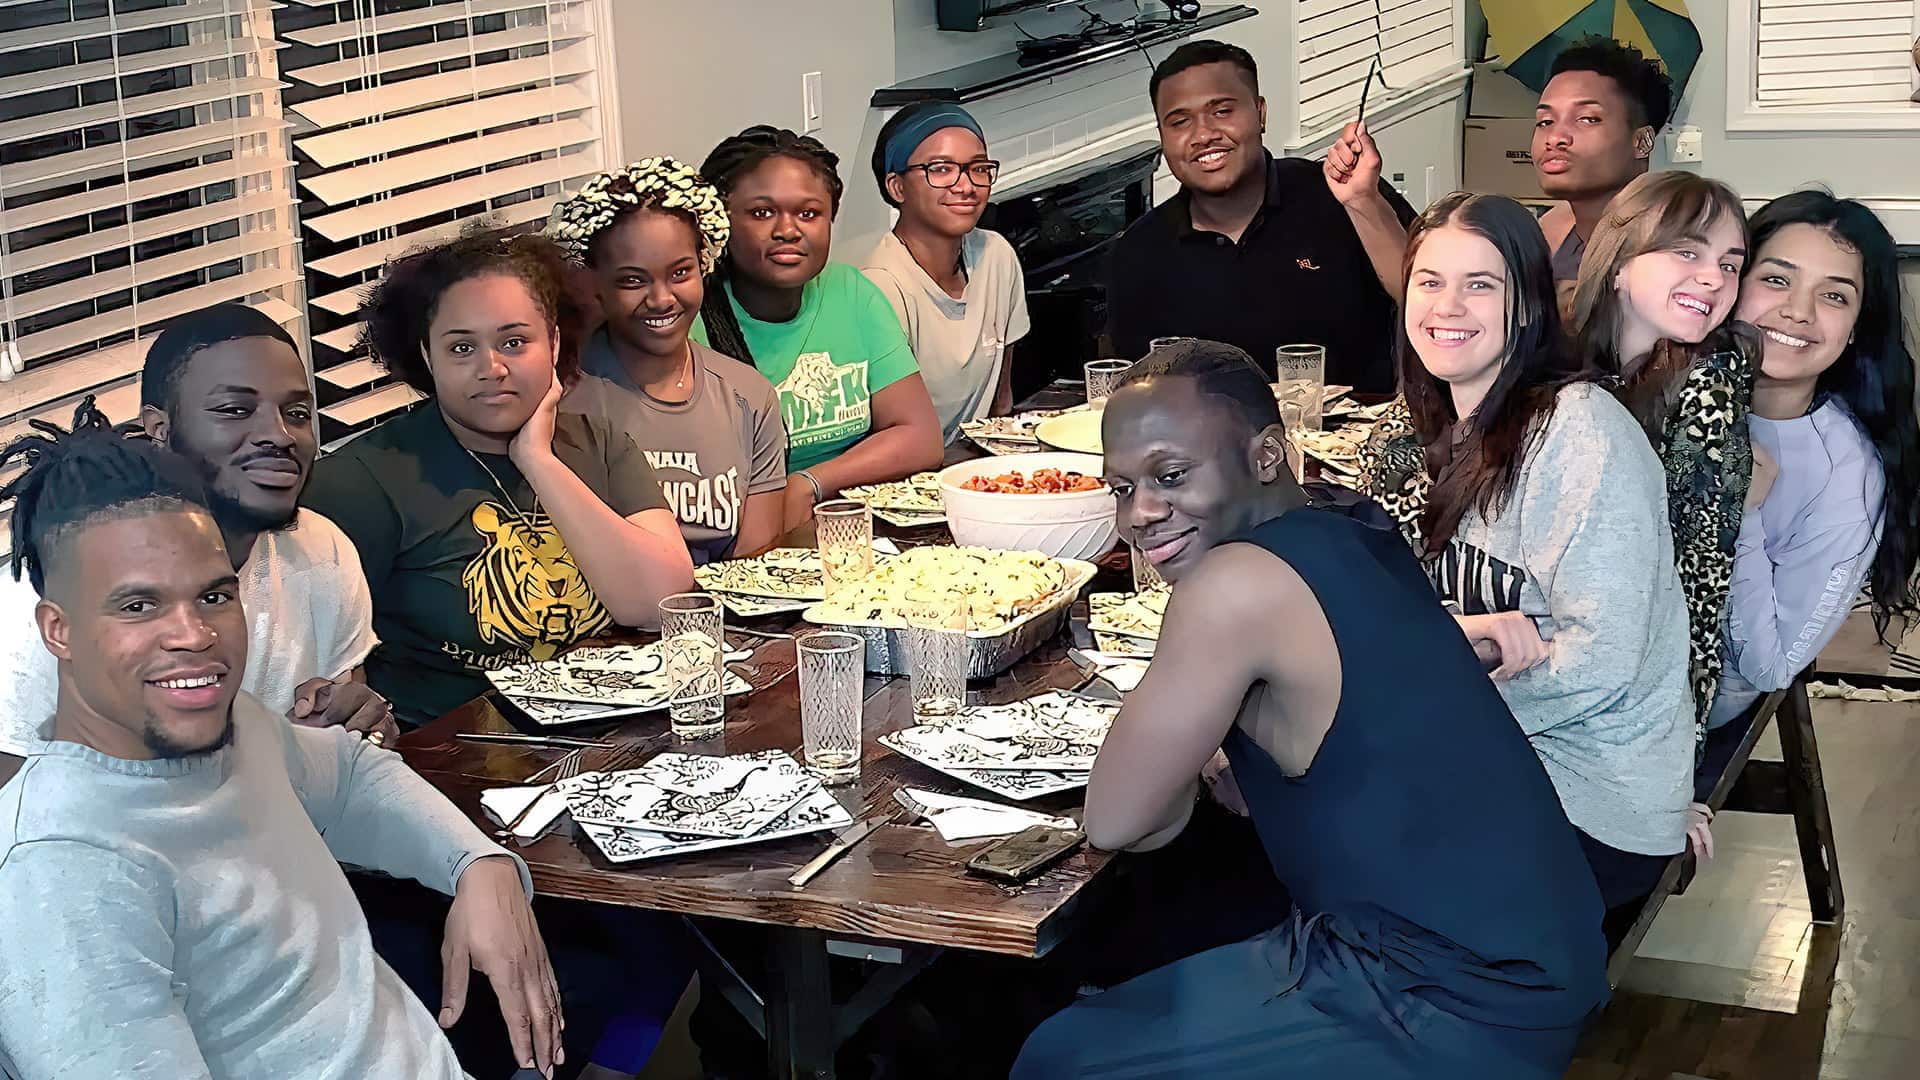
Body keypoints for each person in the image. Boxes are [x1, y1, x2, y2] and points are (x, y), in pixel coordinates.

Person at [1011, 341, 1607, 1078]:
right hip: (1540, 954)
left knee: (1058, 1056)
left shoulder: (1231, 585)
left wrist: (1194, 752)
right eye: (1121, 487)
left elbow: (1118, 820)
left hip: (1445, 996)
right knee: (1157, 938)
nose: (1141, 513)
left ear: (1266, 456)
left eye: (1171, 476)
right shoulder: (1351, 519)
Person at [0, 404, 562, 1078]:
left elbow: (351, 775)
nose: (194, 635)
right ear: (58, 630)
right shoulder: (64, 872)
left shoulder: (238, 730)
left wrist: (480, 866)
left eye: (213, 597)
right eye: (138, 605)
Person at [1399, 193, 1693, 928]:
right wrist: (1464, 638)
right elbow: (1416, 607)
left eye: (1480, 284)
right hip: (1498, 758)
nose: (1449, 305)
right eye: (1430, 281)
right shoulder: (1447, 425)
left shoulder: (1579, 434)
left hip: (1590, 799)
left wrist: (1425, 713)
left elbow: (1603, 658)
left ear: (1526, 304)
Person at [304, 231, 693, 728]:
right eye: (462, 347)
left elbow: (663, 604)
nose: (492, 368)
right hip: (460, 761)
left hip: (617, 736)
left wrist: (538, 460)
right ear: (427, 356)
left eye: (514, 342)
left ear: (553, 342)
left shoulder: (598, 442)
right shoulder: (362, 481)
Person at [0, 304, 388, 789]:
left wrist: (355, 731)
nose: (279, 435)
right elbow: (13, 824)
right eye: (234, 410)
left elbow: (347, 738)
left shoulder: (322, 550)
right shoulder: (46, 596)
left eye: (296, 413)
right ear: (160, 430)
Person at [1699, 192, 1920, 783]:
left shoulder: (1846, 474)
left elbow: (1770, 666)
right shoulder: (1672, 386)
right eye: (1776, 279)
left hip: (1686, 706)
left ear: (1855, 329)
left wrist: (1738, 517)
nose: (1798, 312)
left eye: (1834, 295)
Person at [1103, 40, 1416, 391]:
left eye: (1222, 112)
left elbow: (1425, 295)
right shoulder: (1139, 251)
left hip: (1352, 437)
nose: (1203, 135)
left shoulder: (1342, 193)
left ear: (1260, 113)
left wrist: (1364, 203)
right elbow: (1135, 390)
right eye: (1179, 122)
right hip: (1210, 441)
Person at [1570, 170, 1757, 741]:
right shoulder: (1551, 354)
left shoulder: (1707, 389)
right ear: (1620, 263)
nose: (1713, 279)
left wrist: (1678, 752)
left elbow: (1696, 583)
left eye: (1730, 263)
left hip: (1631, 691)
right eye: (1686, 251)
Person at [694, 125, 944, 525]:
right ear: (720, 223)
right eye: (762, 213)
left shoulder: (851, 292)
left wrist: (810, 482)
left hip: (851, 521)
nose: (788, 231)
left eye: (809, 214)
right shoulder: (691, 320)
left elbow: (921, 438)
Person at [550, 157, 788, 563]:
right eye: (632, 280)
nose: (661, 299)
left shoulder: (749, 396)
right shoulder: (565, 400)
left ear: (704, 265)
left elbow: (756, 564)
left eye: (680, 273)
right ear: (594, 283)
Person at [860, 101, 1030, 442]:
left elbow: (1001, 402)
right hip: (912, 478)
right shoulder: (881, 286)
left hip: (984, 459)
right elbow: (888, 435)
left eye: (978, 168)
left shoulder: (997, 255)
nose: (966, 186)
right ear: (897, 187)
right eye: (940, 169)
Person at [1532, 37, 1674, 301]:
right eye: (1545, 121)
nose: (1555, 138)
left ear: (1642, 142)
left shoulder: (1669, 246)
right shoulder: (1551, 229)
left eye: (1587, 119)